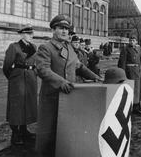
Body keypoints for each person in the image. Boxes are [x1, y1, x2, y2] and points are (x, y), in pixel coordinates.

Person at [35, 14, 101, 157]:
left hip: (69, 98)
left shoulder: (70, 48)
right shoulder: (46, 48)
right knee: (48, 135)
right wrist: (61, 82)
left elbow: (79, 66)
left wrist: (95, 77)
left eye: (67, 29)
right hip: (52, 98)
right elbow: (42, 69)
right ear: (53, 30)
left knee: (65, 134)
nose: (65, 31)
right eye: (61, 28)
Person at [3, 24, 37, 145]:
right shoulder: (14, 47)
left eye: (31, 33)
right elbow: (6, 66)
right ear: (22, 34)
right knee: (16, 106)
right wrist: (13, 78)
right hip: (18, 80)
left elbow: (36, 62)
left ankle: (24, 130)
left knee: (27, 105)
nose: (30, 36)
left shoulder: (34, 47)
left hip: (31, 79)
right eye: (28, 34)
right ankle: (15, 134)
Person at [118, 34, 141, 116]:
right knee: (131, 89)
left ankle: (136, 106)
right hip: (130, 72)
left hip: (137, 72)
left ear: (136, 42)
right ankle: (130, 108)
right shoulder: (125, 49)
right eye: (130, 40)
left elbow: (140, 61)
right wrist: (123, 74)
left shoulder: (138, 49)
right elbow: (122, 63)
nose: (132, 42)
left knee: (137, 89)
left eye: (133, 40)